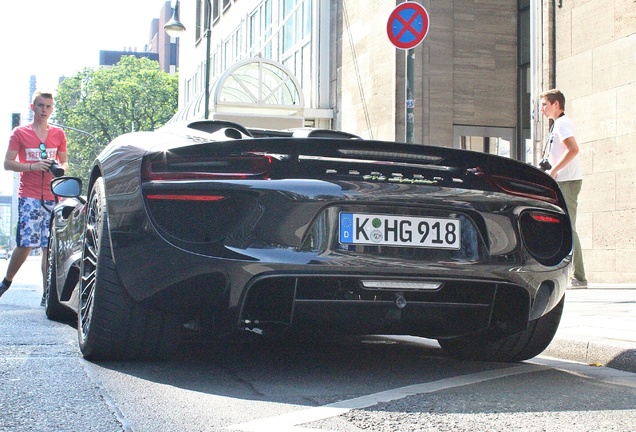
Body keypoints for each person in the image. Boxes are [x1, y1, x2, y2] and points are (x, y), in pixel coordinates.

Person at [0, 90, 68, 304]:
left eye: (48, 106)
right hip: (28, 196)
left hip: (53, 196)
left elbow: (65, 162)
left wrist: (60, 169)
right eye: (40, 106)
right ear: (33, 107)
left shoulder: (58, 134)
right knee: (26, 243)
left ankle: (47, 293)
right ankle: (6, 282)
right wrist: (33, 166)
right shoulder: (20, 133)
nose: (44, 110)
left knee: (49, 245)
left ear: (52, 109)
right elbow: (8, 163)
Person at [539, 88, 587, 288]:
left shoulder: (562, 123)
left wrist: (554, 171)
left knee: (569, 228)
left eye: (544, 104)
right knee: (563, 227)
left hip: (567, 181)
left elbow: (573, 149)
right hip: (561, 181)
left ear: (556, 104)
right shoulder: (558, 125)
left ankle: (580, 277)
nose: (542, 109)